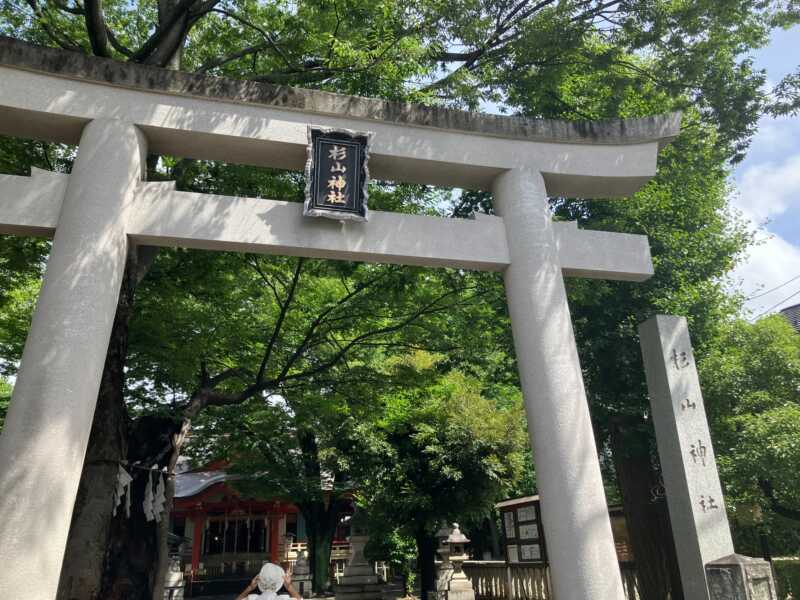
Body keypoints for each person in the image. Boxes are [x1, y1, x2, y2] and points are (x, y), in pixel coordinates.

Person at [235, 562, 303, 600]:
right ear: (280, 583)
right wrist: (289, 587)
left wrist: (250, 587)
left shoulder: (252, 598)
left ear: (259, 582)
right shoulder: (283, 598)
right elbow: (300, 599)